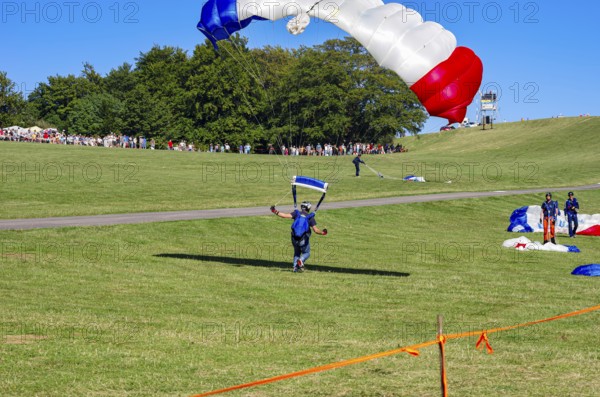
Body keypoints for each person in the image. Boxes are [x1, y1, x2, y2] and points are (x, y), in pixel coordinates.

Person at [270, 201, 327, 272]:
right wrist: (323, 232)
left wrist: (274, 211)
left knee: (296, 253)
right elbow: (315, 230)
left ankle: (295, 268)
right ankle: (301, 260)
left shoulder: (296, 214)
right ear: (308, 208)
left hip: (294, 238)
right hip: (303, 239)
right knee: (306, 253)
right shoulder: (310, 217)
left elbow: (284, 215)